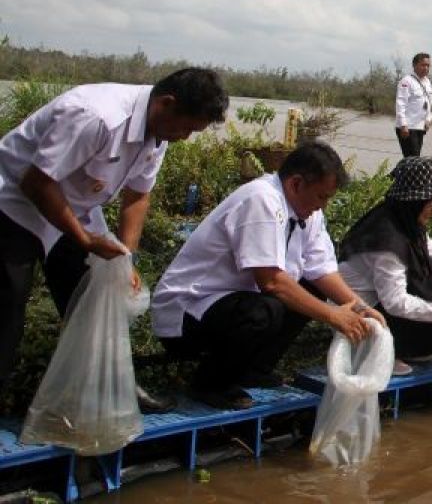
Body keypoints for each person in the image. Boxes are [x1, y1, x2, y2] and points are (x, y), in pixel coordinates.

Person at [0, 68, 228, 413]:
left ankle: (112, 387)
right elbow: (36, 183)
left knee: (103, 295)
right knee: (7, 310)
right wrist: (84, 240)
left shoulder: (158, 134)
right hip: (13, 207)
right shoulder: (96, 116)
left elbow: (137, 197)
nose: (185, 137)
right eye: (185, 127)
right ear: (167, 104)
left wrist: (125, 258)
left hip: (74, 211)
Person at [152, 141, 383, 410]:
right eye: (321, 197)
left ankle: (254, 369)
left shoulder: (308, 212)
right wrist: (333, 315)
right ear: (296, 184)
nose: (324, 206)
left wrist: (361, 308)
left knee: (310, 290)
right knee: (267, 308)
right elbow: (271, 281)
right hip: (187, 314)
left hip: (231, 305)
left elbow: (321, 269)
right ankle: (209, 383)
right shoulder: (261, 200)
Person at [338, 157, 432, 374]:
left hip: (379, 295)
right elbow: (396, 303)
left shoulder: (402, 218)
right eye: (430, 202)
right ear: (414, 201)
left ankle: (408, 348)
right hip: (362, 310)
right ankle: (385, 353)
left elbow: (430, 249)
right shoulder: (388, 244)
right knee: (430, 287)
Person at [395, 53, 432, 157]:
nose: (426, 68)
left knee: (413, 159)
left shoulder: (427, 82)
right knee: (412, 158)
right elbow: (400, 104)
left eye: (428, 65)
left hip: (420, 127)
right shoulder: (407, 81)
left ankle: (398, 174)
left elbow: (429, 103)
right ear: (414, 65)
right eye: (423, 65)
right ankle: (395, 174)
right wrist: (403, 125)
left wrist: (429, 119)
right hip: (408, 127)